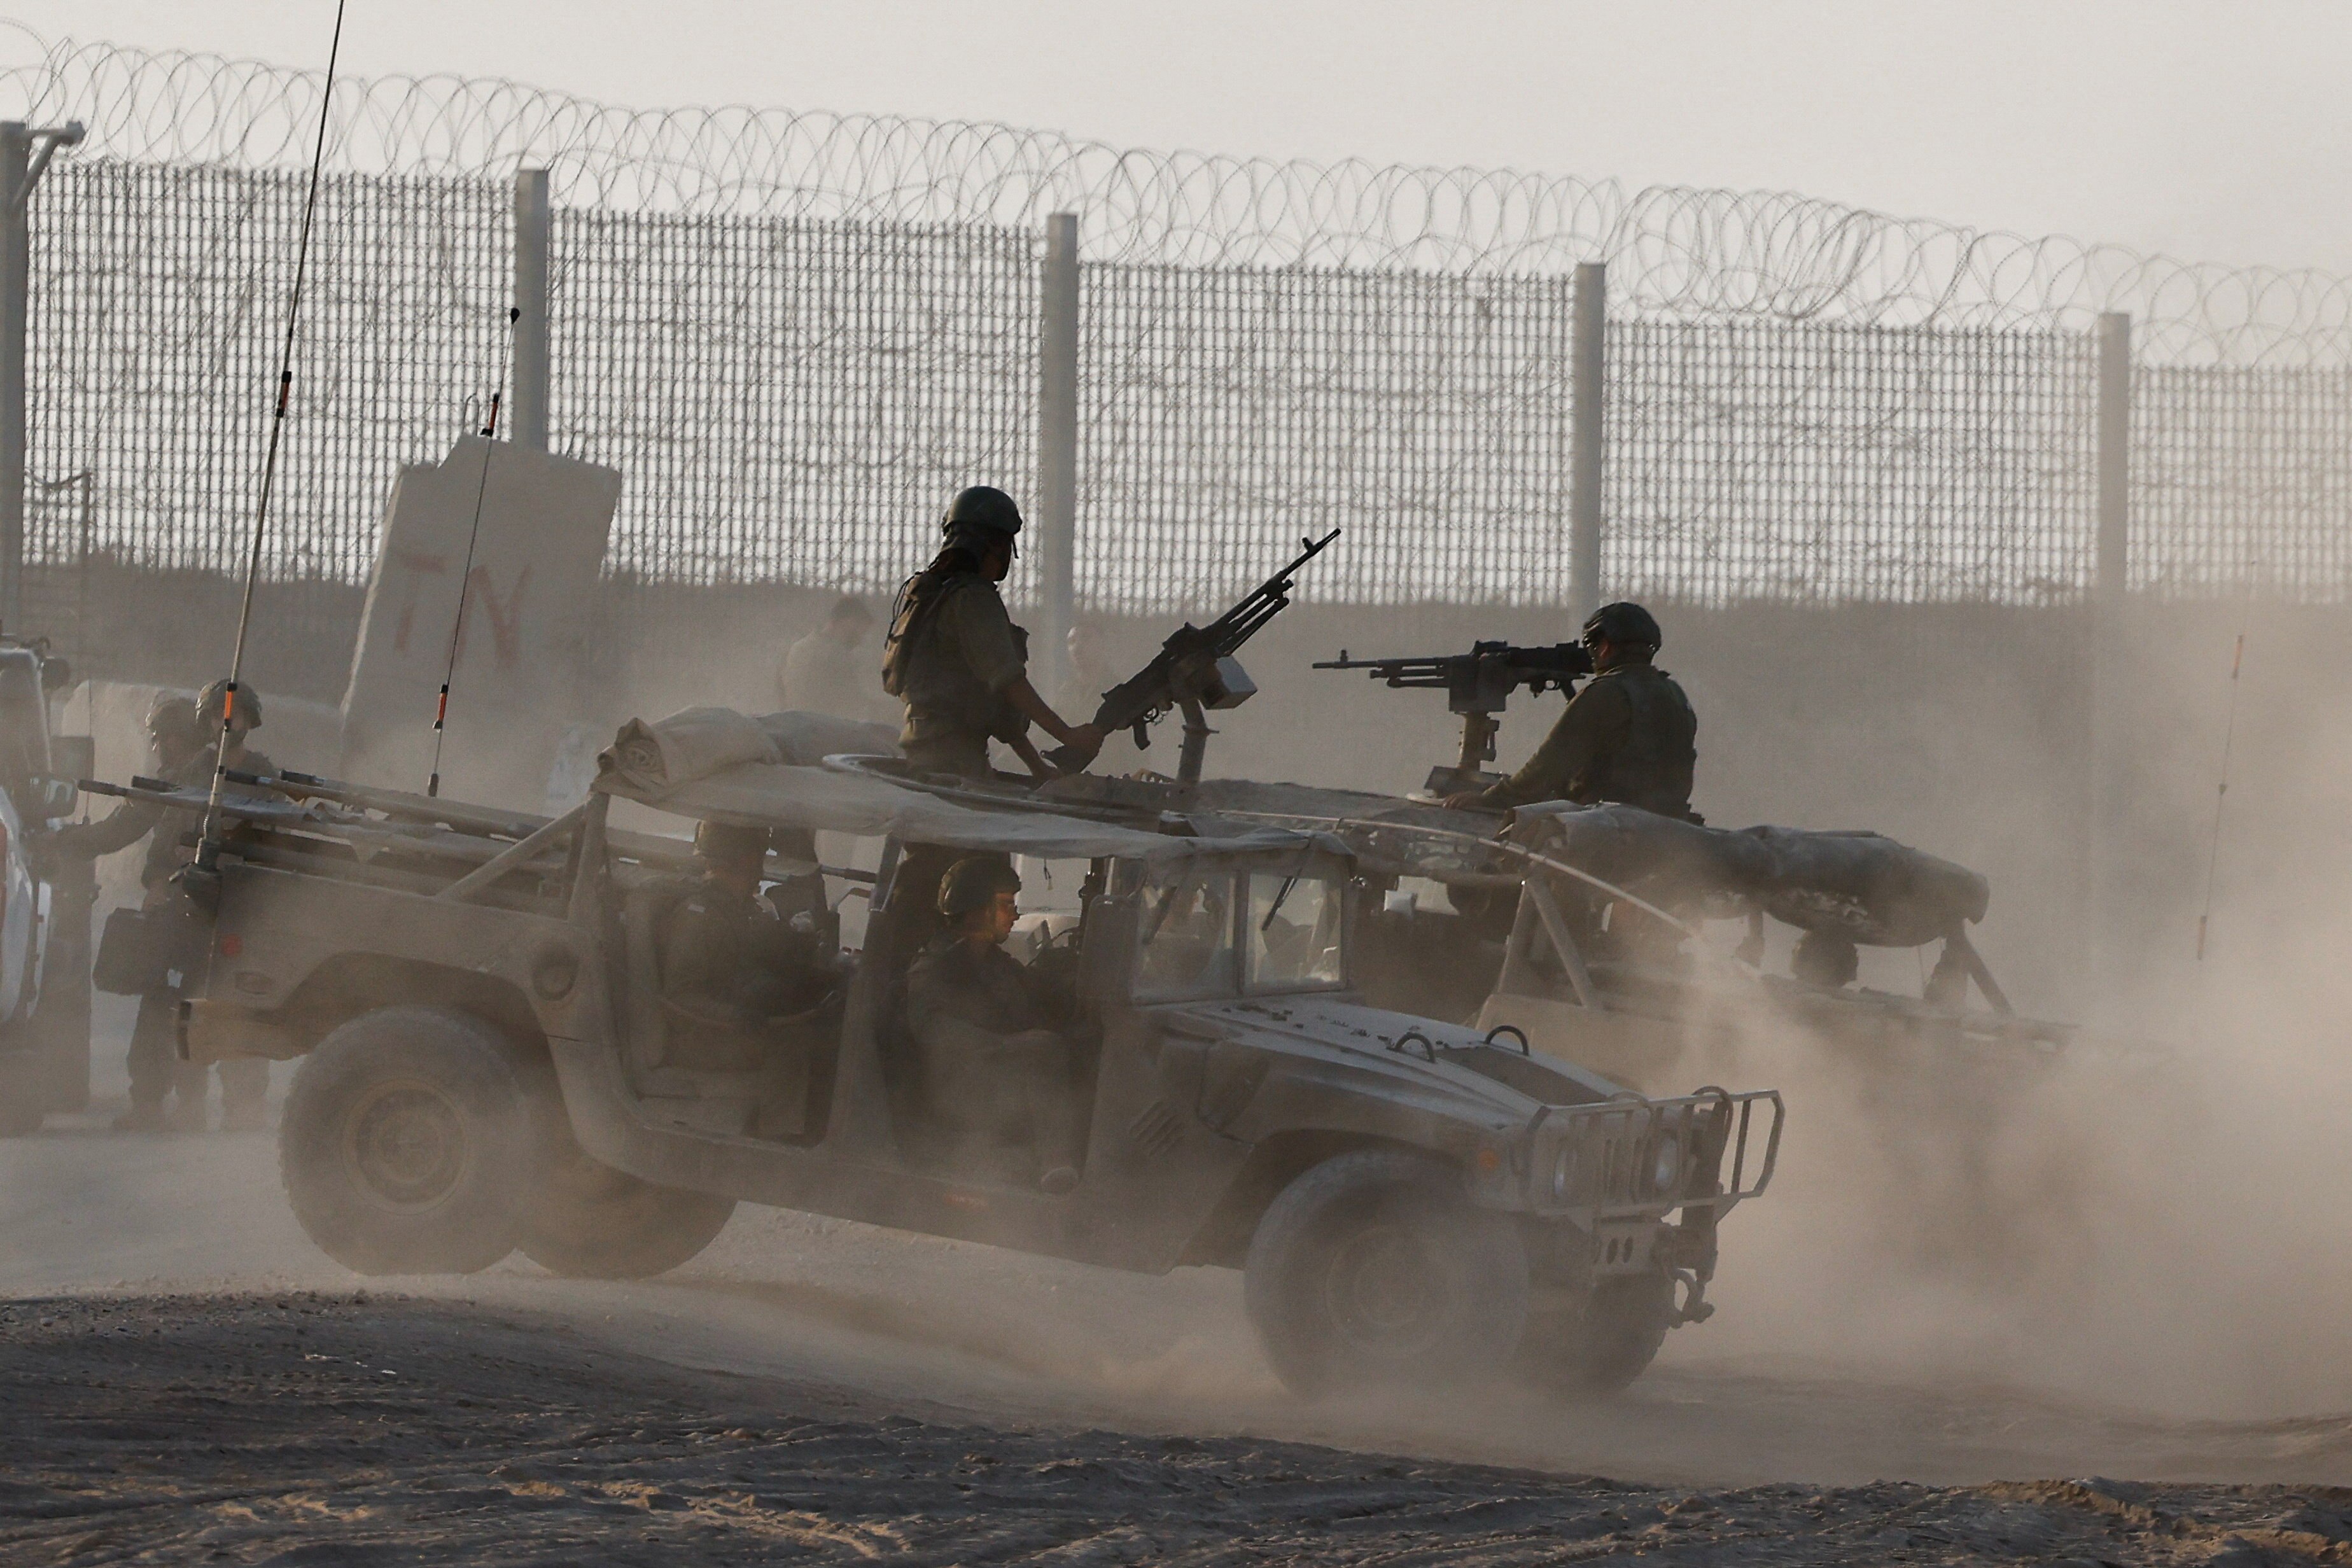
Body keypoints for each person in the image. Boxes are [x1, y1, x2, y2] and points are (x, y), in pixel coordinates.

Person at [57, 680, 274, 1132]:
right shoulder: (186, 778)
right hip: (186, 910)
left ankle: (244, 1108)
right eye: (219, 715)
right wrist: (68, 842)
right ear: (207, 722)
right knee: (165, 1005)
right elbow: (128, 823)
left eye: (237, 716)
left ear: (252, 722)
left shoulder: (265, 781)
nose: (228, 724)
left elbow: (283, 844)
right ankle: (162, 1103)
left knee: (240, 1009)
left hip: (240, 913)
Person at [881, 486, 1102, 780]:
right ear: (993, 545)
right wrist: (1067, 735)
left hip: (925, 751)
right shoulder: (973, 599)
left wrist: (1038, 768)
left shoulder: (930, 594)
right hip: (956, 760)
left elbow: (997, 704)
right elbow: (1010, 684)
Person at [902, 857, 1084, 1193]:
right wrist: (1007, 1047)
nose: (1014, 915)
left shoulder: (993, 962)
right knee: (1043, 1047)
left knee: (1078, 1040)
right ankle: (1055, 1163)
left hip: (1000, 1080)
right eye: (1004, 905)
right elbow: (936, 1032)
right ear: (976, 909)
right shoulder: (936, 967)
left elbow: (1034, 994)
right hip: (961, 1088)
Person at [1443, 601, 1698, 820]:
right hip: (1669, 826)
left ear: (1606, 646)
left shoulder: (1606, 694)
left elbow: (1547, 767)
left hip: (1607, 829)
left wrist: (1490, 799)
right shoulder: (1675, 694)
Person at [656, 820, 836, 1063]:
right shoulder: (698, 916)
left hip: (749, 1017)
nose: (760, 871)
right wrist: (736, 1016)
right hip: (715, 1035)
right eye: (755, 859)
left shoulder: (748, 910)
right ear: (733, 861)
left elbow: (767, 958)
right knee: (807, 1055)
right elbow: (681, 995)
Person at [777, 596, 887, 722]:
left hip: (794, 728)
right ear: (849, 622)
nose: (861, 639)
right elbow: (853, 706)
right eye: (861, 630)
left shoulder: (797, 648)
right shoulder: (836, 656)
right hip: (823, 731)